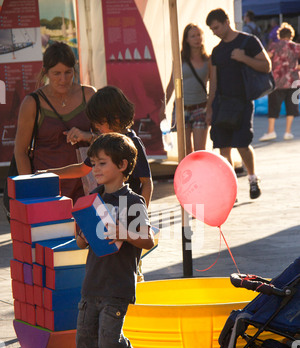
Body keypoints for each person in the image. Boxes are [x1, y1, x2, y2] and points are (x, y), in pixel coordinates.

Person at [73, 132, 159, 348]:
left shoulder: (133, 202)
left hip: (118, 283)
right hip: (93, 281)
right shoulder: (91, 198)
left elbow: (148, 240)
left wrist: (124, 232)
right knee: (93, 339)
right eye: (93, 164)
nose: (95, 169)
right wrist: (81, 235)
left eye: (101, 163)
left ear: (122, 165)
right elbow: (83, 242)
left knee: (110, 340)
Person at [41, 85, 153, 208]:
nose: (97, 128)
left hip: (128, 208)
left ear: (115, 118)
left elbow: (146, 183)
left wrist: (142, 217)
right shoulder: (103, 143)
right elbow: (82, 169)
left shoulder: (133, 143)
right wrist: (49, 173)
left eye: (100, 123)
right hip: (107, 206)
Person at [14, 41, 96, 203]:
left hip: (88, 185)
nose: (63, 79)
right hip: (49, 188)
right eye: (56, 73)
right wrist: (31, 190)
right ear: (45, 72)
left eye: (68, 72)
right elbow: (21, 151)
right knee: (54, 229)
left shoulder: (89, 95)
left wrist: (86, 136)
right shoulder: (32, 103)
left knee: (96, 229)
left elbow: (108, 138)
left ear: (75, 69)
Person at [205, 8, 271, 199]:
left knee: (242, 144)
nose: (214, 32)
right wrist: (209, 107)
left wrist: (244, 58)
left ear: (227, 22)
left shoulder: (248, 41)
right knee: (223, 147)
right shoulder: (217, 51)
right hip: (221, 103)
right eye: (212, 30)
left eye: (216, 27)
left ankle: (252, 178)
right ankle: (230, 188)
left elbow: (266, 66)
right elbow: (214, 82)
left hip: (242, 102)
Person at [160, 23, 210, 154]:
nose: (197, 38)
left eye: (199, 35)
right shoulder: (179, 59)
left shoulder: (208, 59)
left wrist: (211, 107)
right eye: (193, 36)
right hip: (182, 107)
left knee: (200, 150)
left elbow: (215, 83)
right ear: (186, 39)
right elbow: (172, 84)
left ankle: (200, 174)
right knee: (186, 150)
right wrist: (163, 105)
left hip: (201, 106)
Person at [259, 22, 300, 142]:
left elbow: (266, 58)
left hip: (277, 81)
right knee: (291, 106)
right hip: (294, 81)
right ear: (291, 35)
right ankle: (288, 132)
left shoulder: (274, 46)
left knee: (273, 106)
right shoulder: (296, 47)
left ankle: (271, 131)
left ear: (279, 35)